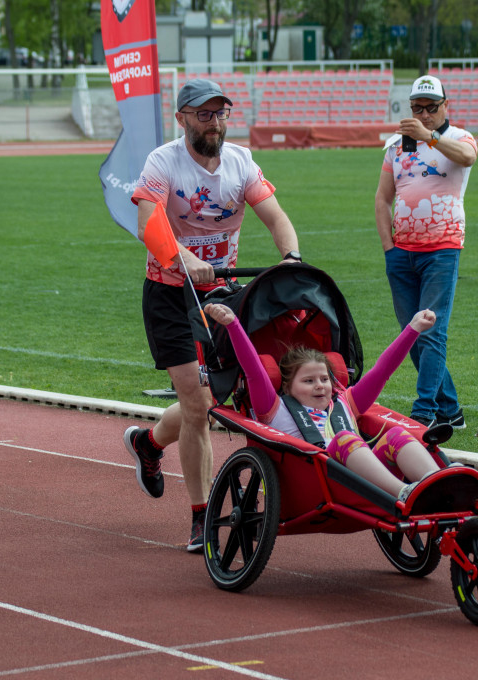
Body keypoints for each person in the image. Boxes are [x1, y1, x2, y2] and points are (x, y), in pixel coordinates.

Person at [124, 79, 301, 552]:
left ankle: (148, 443)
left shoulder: (241, 161)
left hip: (221, 292)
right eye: (204, 114)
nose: (215, 122)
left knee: (220, 397)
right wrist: (182, 257)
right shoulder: (163, 162)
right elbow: (148, 222)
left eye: (221, 113)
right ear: (182, 118)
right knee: (199, 406)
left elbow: (276, 216)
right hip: (170, 294)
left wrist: (291, 258)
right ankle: (203, 517)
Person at [204, 303, 447, 502]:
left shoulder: (345, 402)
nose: (320, 385)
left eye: (324, 379)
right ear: (288, 386)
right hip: (315, 485)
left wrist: (413, 328)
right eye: (308, 381)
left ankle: (438, 485)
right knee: (345, 439)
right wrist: (233, 325)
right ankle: (405, 493)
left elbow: (382, 371)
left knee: (396, 435)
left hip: (365, 481)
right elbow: (254, 371)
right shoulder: (274, 408)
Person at [374, 75, 477, 430]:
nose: (424, 113)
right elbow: (383, 198)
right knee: (412, 334)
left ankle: (424, 413)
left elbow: (468, 158)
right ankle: (451, 410)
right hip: (401, 251)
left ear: (445, 106)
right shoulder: (396, 146)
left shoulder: (458, 138)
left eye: (431, 108)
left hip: (441, 249)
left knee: (432, 330)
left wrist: (429, 136)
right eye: (417, 108)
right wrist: (389, 247)